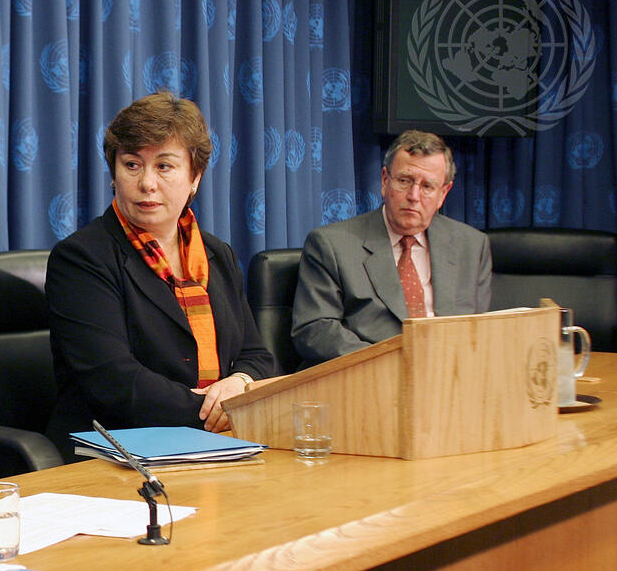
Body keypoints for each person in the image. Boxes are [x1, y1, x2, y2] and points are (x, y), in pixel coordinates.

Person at [44, 92, 277, 456]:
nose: (147, 183)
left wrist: (240, 384)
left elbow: (256, 355)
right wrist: (222, 411)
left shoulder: (217, 254)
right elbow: (115, 382)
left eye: (164, 166)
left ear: (195, 177)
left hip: (220, 442)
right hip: (120, 450)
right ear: (114, 174)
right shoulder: (82, 258)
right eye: (132, 165)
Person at [291, 129, 492, 366]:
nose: (414, 196)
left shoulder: (471, 245)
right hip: (369, 374)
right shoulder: (332, 245)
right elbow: (315, 329)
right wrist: (390, 363)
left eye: (427, 186)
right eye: (404, 181)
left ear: (443, 193)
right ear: (385, 181)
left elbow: (479, 331)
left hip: (449, 375)